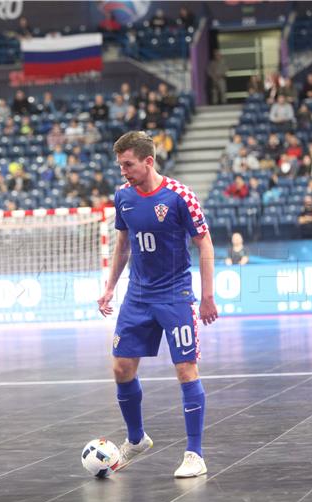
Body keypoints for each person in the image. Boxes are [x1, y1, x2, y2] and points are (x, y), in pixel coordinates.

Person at [97, 131, 217, 478]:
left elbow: (205, 244)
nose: (123, 171)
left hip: (174, 294)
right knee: (121, 368)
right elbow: (123, 244)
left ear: (148, 161)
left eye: (128, 164)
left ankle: (195, 453)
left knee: (185, 370)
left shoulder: (180, 196)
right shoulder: (123, 197)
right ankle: (136, 439)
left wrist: (207, 295)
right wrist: (109, 288)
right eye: (120, 165)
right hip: (137, 295)